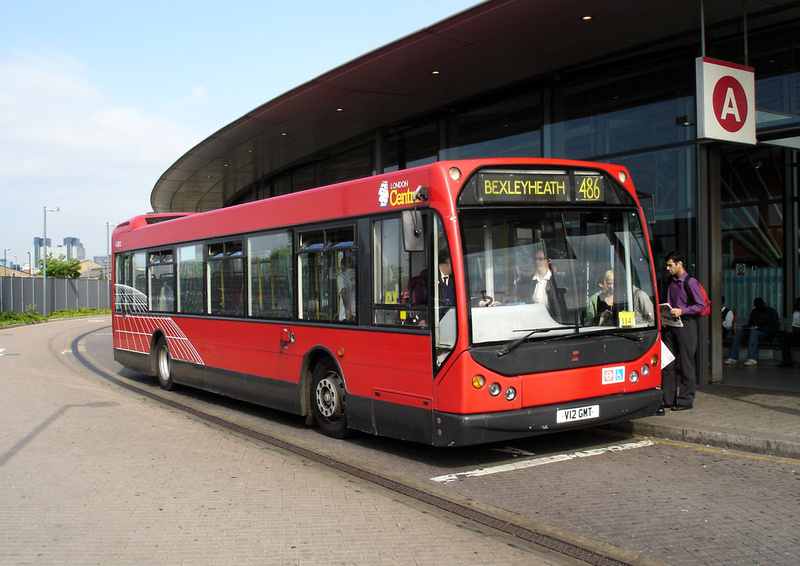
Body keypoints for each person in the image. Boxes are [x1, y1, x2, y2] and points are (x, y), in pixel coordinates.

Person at [659, 251, 705, 414]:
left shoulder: (690, 282)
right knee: (668, 363)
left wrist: (682, 310)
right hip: (670, 325)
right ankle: (668, 398)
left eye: (671, 265)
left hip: (686, 325)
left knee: (686, 363)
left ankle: (686, 399)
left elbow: (701, 306)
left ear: (680, 264)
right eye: (667, 265)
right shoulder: (669, 281)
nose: (668, 268)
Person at [512, 248, 566, 320]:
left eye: (540, 259)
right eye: (536, 259)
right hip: (533, 319)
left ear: (549, 261)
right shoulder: (529, 281)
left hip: (553, 320)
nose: (537, 262)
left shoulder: (557, 281)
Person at [723, 297, 779, 366]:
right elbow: (751, 323)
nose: (758, 308)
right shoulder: (754, 312)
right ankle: (732, 357)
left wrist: (762, 328)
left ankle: (752, 358)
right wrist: (748, 327)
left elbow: (774, 327)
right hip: (754, 332)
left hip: (766, 334)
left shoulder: (771, 312)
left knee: (754, 333)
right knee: (739, 333)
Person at [778, 297, 800, 368]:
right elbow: (795, 329)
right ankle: (787, 361)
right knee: (784, 336)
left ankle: (787, 361)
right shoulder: (796, 314)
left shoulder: (796, 314)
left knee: (784, 337)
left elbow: (796, 329)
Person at [337, 256, 356, 322]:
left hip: (347, 315)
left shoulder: (342, 276)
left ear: (342, 266)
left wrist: (347, 309)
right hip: (358, 312)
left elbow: (344, 291)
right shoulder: (358, 274)